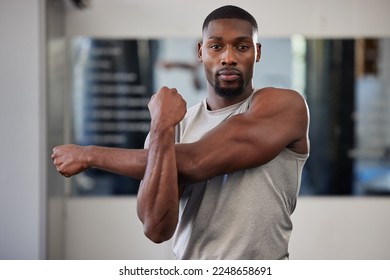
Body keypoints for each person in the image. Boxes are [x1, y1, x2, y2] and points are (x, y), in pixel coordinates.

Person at [52, 5, 310, 259]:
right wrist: (162, 127)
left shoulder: (284, 106)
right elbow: (156, 229)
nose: (228, 57)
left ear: (257, 52)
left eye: (242, 46)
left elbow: (196, 161)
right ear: (200, 51)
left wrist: (89, 155)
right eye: (216, 46)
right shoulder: (175, 126)